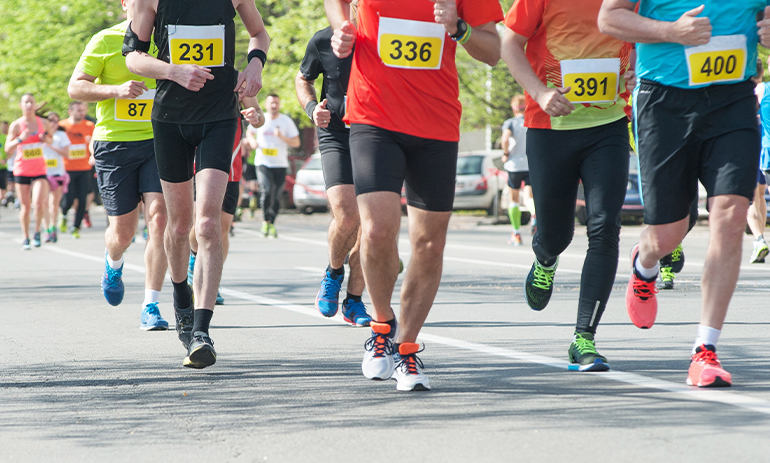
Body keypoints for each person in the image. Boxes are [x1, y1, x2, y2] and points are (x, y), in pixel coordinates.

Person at [325, 0, 503, 391]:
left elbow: (493, 51)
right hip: (374, 116)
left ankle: (406, 349)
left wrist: (461, 29)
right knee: (375, 231)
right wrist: (342, 27)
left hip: (436, 124)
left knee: (428, 243)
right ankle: (381, 328)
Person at [599, 0, 770, 387]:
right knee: (667, 234)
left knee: (729, 217)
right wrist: (670, 32)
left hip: (733, 99)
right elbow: (608, 17)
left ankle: (704, 349)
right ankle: (645, 265)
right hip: (664, 101)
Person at [125, 0, 269, 368]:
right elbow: (134, 58)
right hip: (171, 119)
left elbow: (259, 34)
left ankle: (201, 330)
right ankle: (180, 296)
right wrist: (173, 71)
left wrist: (254, 63)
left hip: (219, 116)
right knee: (179, 226)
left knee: (207, 225)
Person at [503, 0, 635, 372]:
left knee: (605, 227)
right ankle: (545, 256)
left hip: (608, 126)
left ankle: (584, 338)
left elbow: (644, 36)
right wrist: (540, 93)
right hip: (550, 129)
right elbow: (509, 43)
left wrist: (636, 70)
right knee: (557, 235)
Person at [68, 0, 172, 331]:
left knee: (159, 219)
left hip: (159, 142)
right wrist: (116, 90)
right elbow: (76, 87)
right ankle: (114, 263)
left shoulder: (168, 38)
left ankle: (151, 304)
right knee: (123, 231)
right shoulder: (105, 40)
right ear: (126, 3)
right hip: (114, 144)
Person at [295, 26, 372, 326]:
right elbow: (303, 78)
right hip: (336, 134)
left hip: (377, 136)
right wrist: (313, 109)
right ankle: (334, 273)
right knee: (348, 214)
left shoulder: (387, 33)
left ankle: (354, 301)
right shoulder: (325, 38)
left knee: (373, 223)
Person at [188, 97, 264, 305]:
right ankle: (193, 261)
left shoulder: (238, 82)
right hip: (199, 166)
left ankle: (213, 279)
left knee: (222, 227)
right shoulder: (196, 75)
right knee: (199, 224)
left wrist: (255, 116)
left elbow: (260, 118)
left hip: (231, 169)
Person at [250, 94, 300, 238]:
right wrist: (252, 142)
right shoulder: (261, 119)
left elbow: (296, 143)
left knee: (276, 196)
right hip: (263, 162)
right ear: (266, 104)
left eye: (276, 103)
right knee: (266, 191)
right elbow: (249, 131)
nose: (274, 105)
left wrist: (281, 137)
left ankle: (271, 222)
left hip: (280, 164)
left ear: (279, 105)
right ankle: (265, 221)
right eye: (271, 103)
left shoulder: (286, 121)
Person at [5, 94, 51, 249]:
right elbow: (7, 149)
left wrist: (46, 140)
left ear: (35, 105)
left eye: (32, 102)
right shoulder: (16, 125)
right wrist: (20, 139)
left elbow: (51, 139)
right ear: (21, 105)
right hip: (22, 169)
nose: (29, 105)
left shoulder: (43, 123)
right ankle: (25, 237)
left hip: (39, 169)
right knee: (25, 206)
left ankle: (37, 231)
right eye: (26, 102)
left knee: (38, 204)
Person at [59, 101, 95, 239]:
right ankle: (63, 215)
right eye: (78, 110)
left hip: (84, 168)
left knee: (82, 198)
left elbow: (95, 142)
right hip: (67, 168)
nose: (82, 113)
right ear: (70, 111)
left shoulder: (89, 126)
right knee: (69, 199)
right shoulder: (62, 126)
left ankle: (76, 226)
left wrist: (91, 142)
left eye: (83, 110)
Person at [500, 95, 533, 246]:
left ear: (514, 108)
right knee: (529, 198)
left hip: (514, 166)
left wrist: (505, 154)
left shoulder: (510, 123)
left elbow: (505, 139)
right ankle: (534, 216)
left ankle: (516, 233)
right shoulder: (531, 121)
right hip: (530, 164)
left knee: (513, 199)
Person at [41, 112, 71, 243]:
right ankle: (46, 230)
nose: (53, 123)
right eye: (51, 120)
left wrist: (51, 146)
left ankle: (53, 228)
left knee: (54, 204)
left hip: (57, 174)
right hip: (42, 174)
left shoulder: (61, 135)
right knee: (43, 203)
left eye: (56, 121)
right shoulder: (39, 135)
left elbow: (67, 153)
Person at [0, 121, 8, 206]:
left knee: (3, 185)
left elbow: (10, 151)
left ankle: (3, 199)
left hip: (2, 166)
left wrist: (5, 159)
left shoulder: (4, 137)